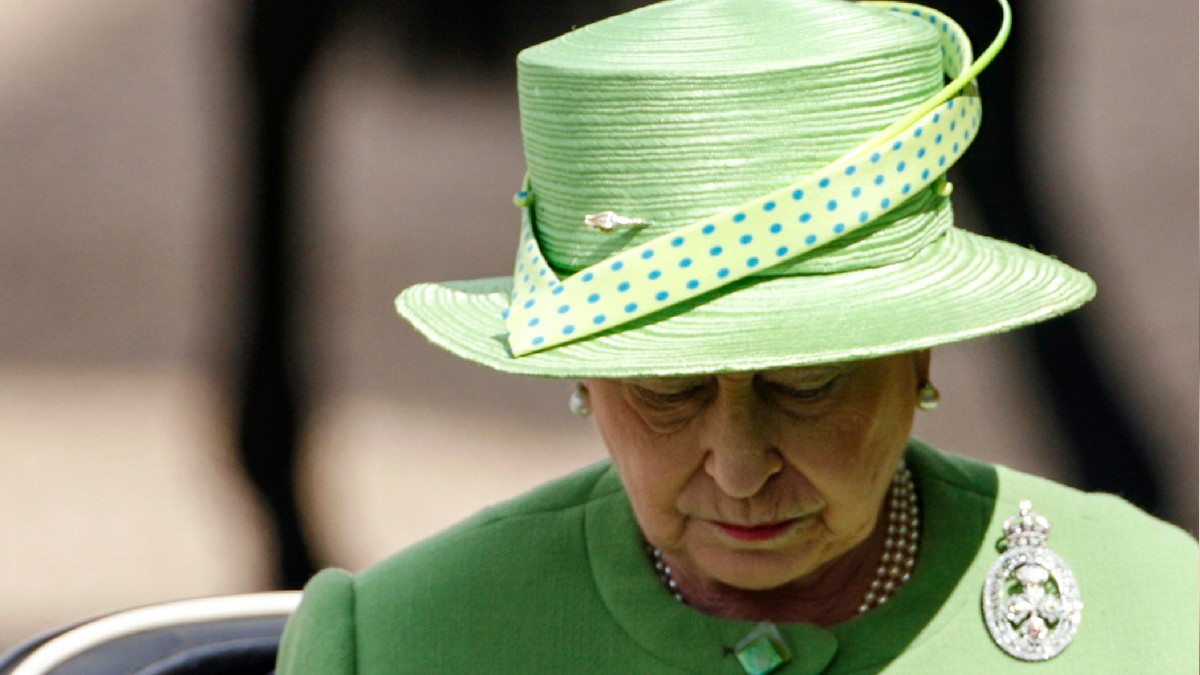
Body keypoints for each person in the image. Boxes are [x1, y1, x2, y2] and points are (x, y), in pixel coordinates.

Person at [276, 0, 1198, 672]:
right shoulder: (392, 645)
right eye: (666, 390)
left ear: (924, 351)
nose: (738, 468)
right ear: (584, 377)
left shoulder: (1159, 614)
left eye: (807, 385)